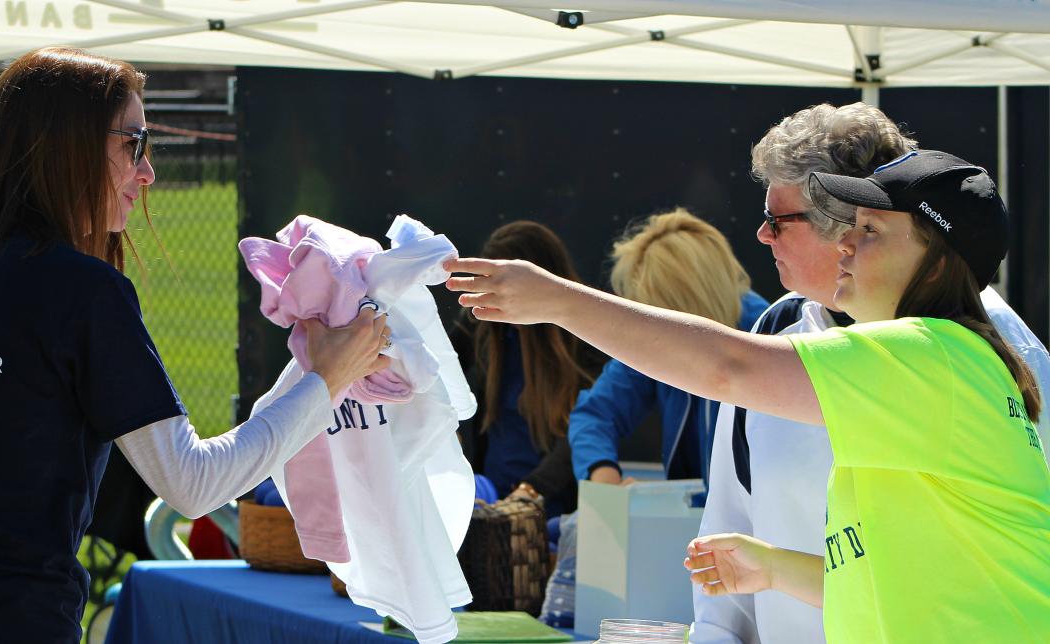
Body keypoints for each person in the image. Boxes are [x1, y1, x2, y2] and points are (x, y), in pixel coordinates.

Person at [0, 47, 390, 642]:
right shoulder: (82, 292)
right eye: (132, 142)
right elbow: (193, 483)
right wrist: (323, 380)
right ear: (65, 146)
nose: (148, 170)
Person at [446, 149, 1050, 641]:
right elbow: (898, 580)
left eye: (870, 233)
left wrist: (558, 301)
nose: (844, 244)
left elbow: (728, 366)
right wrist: (771, 568)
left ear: (937, 262)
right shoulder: (943, 364)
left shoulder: (928, 355)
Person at [693, 103, 1050, 644]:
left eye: (777, 219)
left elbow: (724, 367)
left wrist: (553, 299)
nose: (762, 236)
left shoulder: (984, 354)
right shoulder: (776, 326)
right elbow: (734, 527)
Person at [569, 209, 768, 487]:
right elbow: (596, 414)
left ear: (687, 302)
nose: (652, 329)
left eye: (658, 312)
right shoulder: (655, 340)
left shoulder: (771, 338)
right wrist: (602, 474)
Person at [451, 220, 602, 516]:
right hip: (489, 497)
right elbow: (433, 370)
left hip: (553, 508)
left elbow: (588, 427)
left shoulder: (586, 335)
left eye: (502, 285)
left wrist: (532, 490)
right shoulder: (480, 324)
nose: (494, 295)